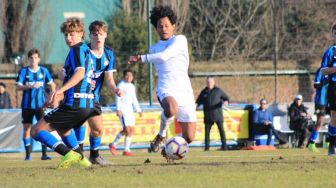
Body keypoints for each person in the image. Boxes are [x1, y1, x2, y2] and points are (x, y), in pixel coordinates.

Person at [127, 5, 197, 159]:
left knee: (190, 137)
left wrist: (140, 58)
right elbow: (161, 58)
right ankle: (161, 134)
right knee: (171, 108)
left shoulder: (180, 40)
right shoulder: (153, 48)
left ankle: (168, 149)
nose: (164, 28)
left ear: (173, 26)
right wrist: (145, 56)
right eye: (160, 26)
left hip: (185, 91)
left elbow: (165, 56)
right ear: (156, 28)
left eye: (166, 25)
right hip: (166, 87)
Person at [30, 17, 94, 169]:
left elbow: (79, 74)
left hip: (75, 103)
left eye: (72, 34)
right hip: (86, 104)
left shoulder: (76, 50)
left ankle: (69, 154)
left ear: (81, 33)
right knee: (63, 129)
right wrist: (57, 96)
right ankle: (83, 161)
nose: (68, 38)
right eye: (66, 34)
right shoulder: (86, 50)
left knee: (36, 130)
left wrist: (60, 90)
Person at [16, 48, 56, 161]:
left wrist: (52, 97)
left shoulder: (43, 71)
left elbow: (52, 84)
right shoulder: (24, 71)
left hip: (40, 106)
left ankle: (44, 154)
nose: (33, 60)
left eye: (35, 58)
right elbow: (18, 86)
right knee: (27, 129)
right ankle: (28, 155)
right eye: (31, 58)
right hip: (27, 106)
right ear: (28, 59)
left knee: (42, 129)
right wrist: (29, 86)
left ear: (39, 59)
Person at [109, 69, 142, 156]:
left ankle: (126, 150)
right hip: (123, 110)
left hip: (130, 110)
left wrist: (138, 109)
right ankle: (113, 145)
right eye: (127, 75)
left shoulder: (132, 86)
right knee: (126, 129)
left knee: (130, 130)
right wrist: (118, 109)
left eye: (131, 75)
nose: (129, 77)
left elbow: (134, 99)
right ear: (124, 76)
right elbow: (118, 97)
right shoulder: (121, 85)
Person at [196, 76, 229, 151]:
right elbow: (198, 101)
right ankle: (207, 148)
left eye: (210, 82)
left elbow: (226, 98)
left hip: (218, 115)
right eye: (208, 82)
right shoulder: (204, 92)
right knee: (207, 133)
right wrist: (195, 106)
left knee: (221, 131)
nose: (209, 83)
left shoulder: (218, 90)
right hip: (208, 115)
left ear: (213, 82)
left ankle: (225, 147)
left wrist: (226, 101)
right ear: (206, 83)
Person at [320, 23, 336, 156]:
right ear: (333, 35)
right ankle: (332, 145)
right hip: (334, 87)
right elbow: (323, 71)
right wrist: (334, 69)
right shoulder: (330, 52)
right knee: (334, 117)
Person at [307, 68, 329, 152]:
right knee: (320, 122)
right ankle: (311, 143)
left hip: (330, 99)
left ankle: (328, 142)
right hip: (321, 101)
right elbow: (316, 85)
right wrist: (327, 81)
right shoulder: (321, 71)